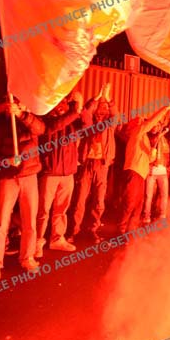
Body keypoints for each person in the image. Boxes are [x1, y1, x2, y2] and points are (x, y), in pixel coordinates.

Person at [0, 97, 45, 282]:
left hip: (29, 175)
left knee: (30, 221)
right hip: (7, 178)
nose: (16, 106)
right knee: (0, 222)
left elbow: (40, 129)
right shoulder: (0, 125)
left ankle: (27, 258)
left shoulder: (29, 120)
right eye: (14, 103)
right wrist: (6, 162)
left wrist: (21, 114)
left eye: (20, 103)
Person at [37, 91, 91, 255]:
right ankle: (38, 241)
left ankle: (57, 239)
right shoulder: (46, 117)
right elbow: (54, 127)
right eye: (60, 103)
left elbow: (88, 126)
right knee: (43, 211)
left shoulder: (72, 120)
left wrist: (81, 108)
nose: (62, 106)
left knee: (61, 210)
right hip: (50, 172)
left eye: (65, 103)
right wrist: (74, 111)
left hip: (68, 173)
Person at [68, 84, 117, 243]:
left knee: (99, 202)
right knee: (80, 200)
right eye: (100, 107)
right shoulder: (89, 124)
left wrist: (108, 98)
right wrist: (97, 97)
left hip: (102, 166)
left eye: (105, 108)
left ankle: (93, 230)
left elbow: (115, 116)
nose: (102, 110)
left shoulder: (110, 126)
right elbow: (86, 112)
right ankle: (74, 231)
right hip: (87, 165)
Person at [117, 103, 170, 234]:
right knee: (130, 203)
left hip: (141, 174)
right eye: (141, 120)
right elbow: (150, 122)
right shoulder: (136, 133)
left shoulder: (144, 139)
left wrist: (152, 154)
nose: (143, 120)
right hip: (133, 172)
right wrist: (165, 109)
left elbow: (148, 159)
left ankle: (131, 230)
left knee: (138, 205)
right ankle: (121, 230)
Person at [143, 121, 170, 224]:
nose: (155, 127)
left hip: (162, 171)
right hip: (151, 171)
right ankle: (146, 217)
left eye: (158, 126)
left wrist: (168, 165)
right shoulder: (148, 137)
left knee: (164, 195)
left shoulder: (164, 139)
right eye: (153, 126)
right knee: (149, 196)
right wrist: (161, 134)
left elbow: (167, 152)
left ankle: (162, 215)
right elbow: (153, 144)